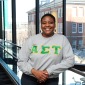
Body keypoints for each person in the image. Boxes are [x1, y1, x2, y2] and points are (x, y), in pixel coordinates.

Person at [17, 13, 74, 85]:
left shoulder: (62, 39)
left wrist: (48, 71)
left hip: (51, 80)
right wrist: (35, 72)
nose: (47, 25)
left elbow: (70, 60)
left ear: (55, 24)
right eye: (44, 23)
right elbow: (21, 61)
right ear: (41, 25)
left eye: (51, 23)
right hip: (30, 79)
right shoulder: (31, 40)